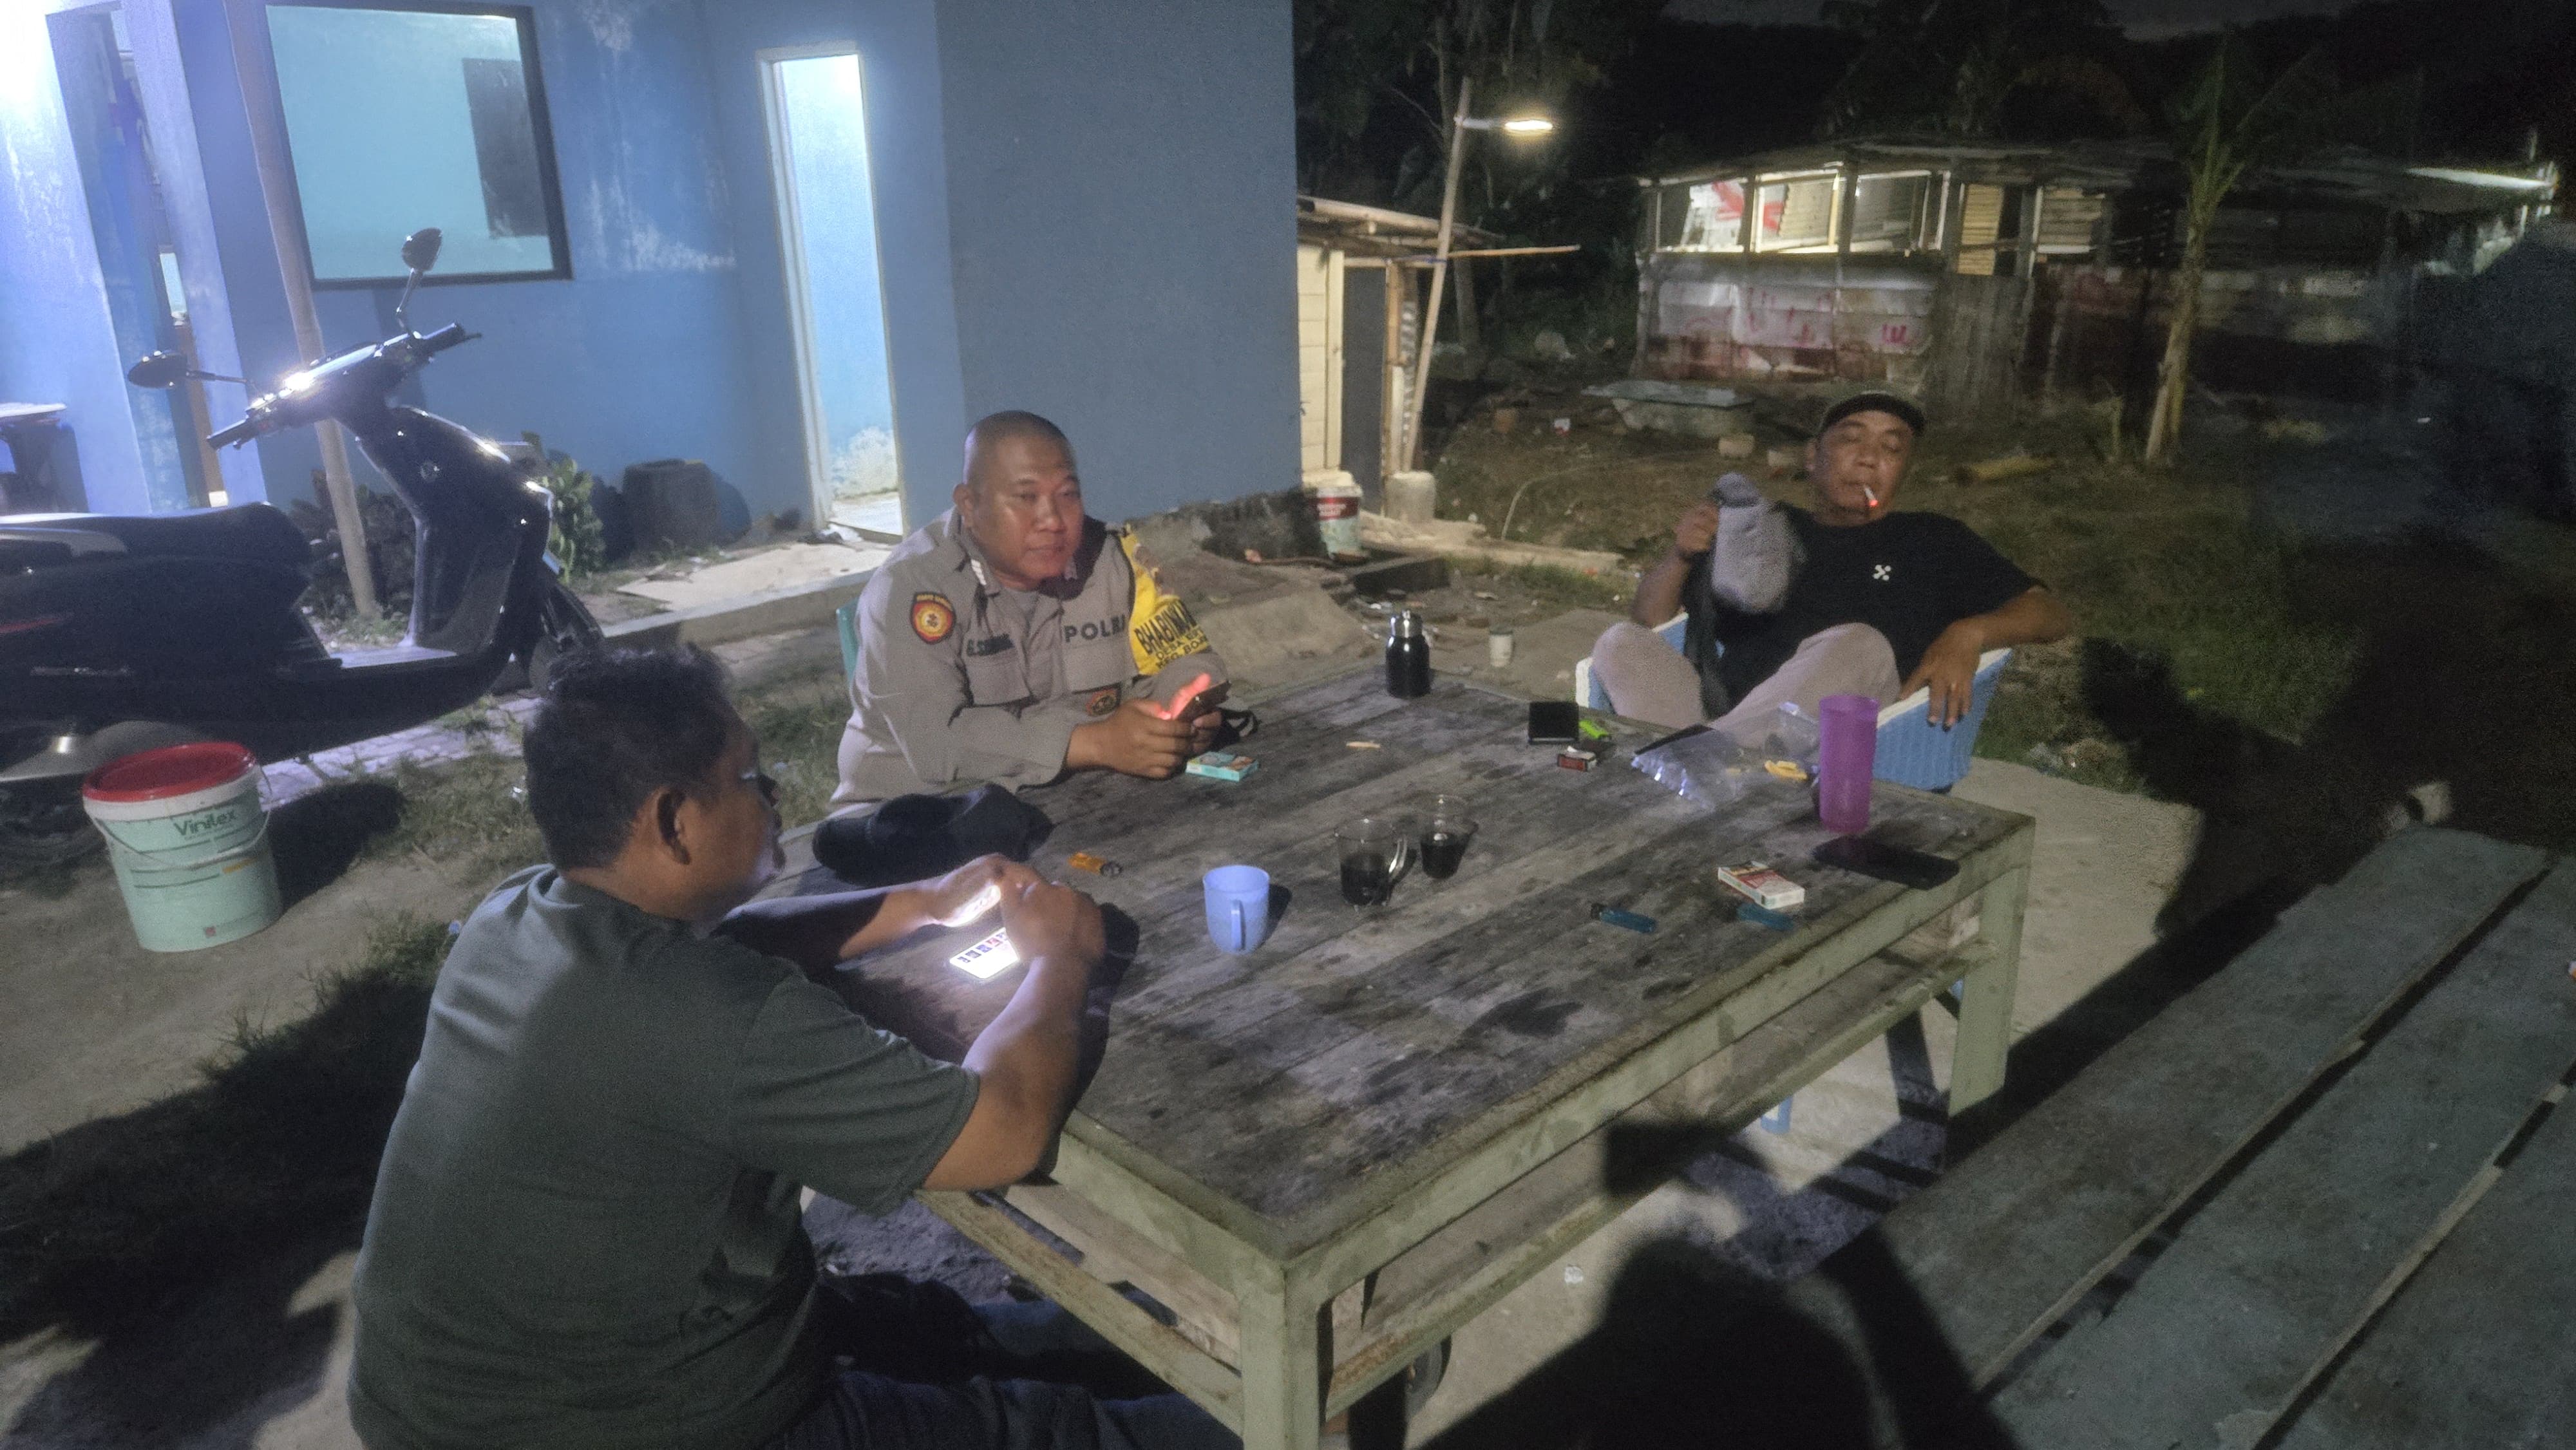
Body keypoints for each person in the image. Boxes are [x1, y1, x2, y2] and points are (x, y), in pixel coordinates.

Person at [347, 646, 1235, 1450]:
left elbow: (738, 940)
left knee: (918, 1327)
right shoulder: (713, 1018)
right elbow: (1001, 1133)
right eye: (747, 777)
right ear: (672, 820)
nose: (772, 793)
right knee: (1054, 1431)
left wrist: (920, 903)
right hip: (628, 1422)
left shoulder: (518, 913)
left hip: (448, 1400)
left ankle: (1103, 1345)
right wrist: (1060, 960)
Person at [1589, 391, 2071, 738]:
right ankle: (1708, 766)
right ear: (1813, 457)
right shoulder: (1766, 527)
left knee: (1859, 642)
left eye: (1891, 449)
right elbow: (1650, 619)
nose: (1869, 459)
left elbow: (2051, 615)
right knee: (1620, 641)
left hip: (1844, 733)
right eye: (1851, 440)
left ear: (1904, 472)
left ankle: (1700, 766)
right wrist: (1680, 555)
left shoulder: (1934, 538)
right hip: (1716, 716)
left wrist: (1971, 632)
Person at [833, 413, 1229, 811]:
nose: (1053, 521)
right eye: (1026, 498)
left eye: (1067, 495)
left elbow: (1187, 661)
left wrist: (1179, 719)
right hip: (915, 813)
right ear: (969, 505)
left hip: (1075, 796)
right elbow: (936, 742)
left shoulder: (1112, 560)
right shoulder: (911, 586)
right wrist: (1094, 743)